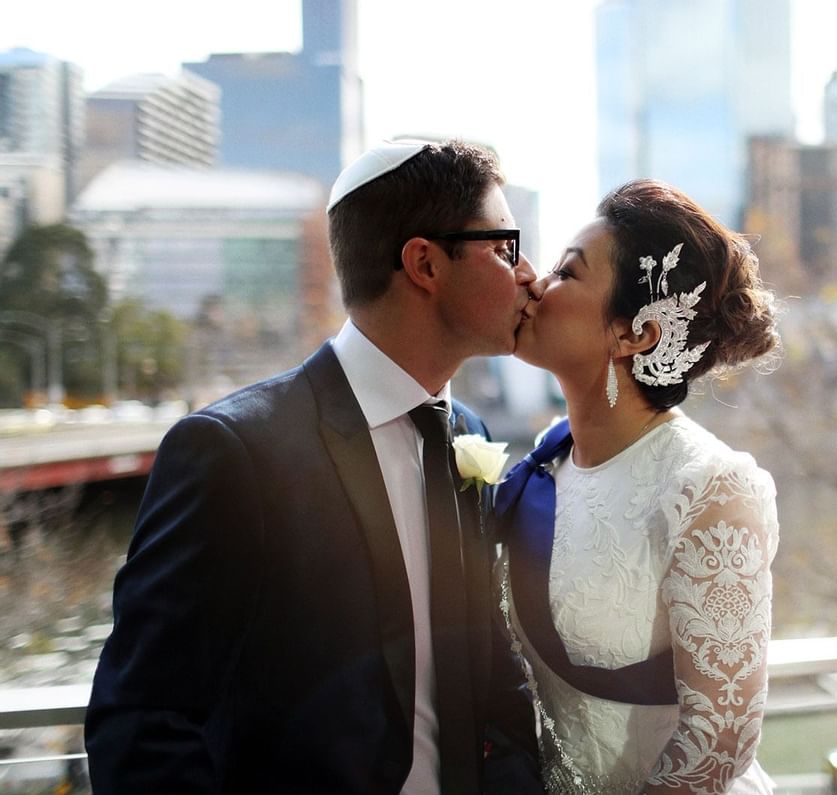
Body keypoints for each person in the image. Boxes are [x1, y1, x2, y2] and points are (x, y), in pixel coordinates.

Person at [85, 139, 540, 794]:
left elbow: (489, 671)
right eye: (504, 248)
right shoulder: (233, 450)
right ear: (424, 263)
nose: (527, 274)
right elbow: (140, 718)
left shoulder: (467, 434)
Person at [495, 178, 780, 794]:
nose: (536, 286)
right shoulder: (551, 460)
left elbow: (720, 739)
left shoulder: (709, 486)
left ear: (635, 333)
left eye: (566, 274)